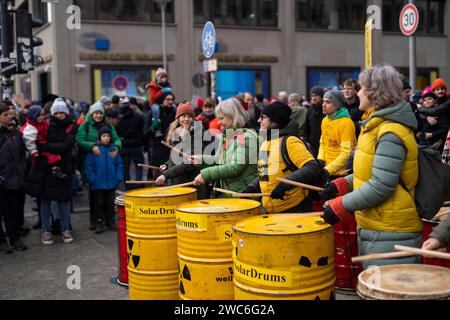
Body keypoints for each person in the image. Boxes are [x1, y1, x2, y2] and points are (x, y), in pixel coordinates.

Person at [320, 65, 422, 270]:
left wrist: (341, 205)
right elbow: (372, 172)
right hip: (375, 225)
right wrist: (342, 185)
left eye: (362, 88)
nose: (357, 92)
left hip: (392, 230)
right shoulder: (375, 126)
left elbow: (382, 185)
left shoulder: (390, 131)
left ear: (375, 93)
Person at [242, 102, 324, 213]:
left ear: (275, 120)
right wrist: (252, 187)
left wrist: (285, 184)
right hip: (270, 210)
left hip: (294, 209)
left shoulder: (290, 142)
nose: (259, 121)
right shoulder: (266, 143)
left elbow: (312, 167)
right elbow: (265, 173)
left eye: (263, 117)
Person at [32, 99, 77, 245]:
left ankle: (65, 229)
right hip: (48, 168)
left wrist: (48, 147)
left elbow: (66, 145)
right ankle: (46, 230)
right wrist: (49, 147)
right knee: (45, 200)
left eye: (61, 112)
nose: (59, 115)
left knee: (64, 200)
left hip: (64, 167)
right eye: (56, 112)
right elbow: (38, 143)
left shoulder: (71, 126)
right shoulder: (46, 125)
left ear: (66, 113)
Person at [191, 98, 258, 195]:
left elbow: (235, 168)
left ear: (233, 116)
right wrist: (201, 159)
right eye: (218, 118)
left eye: (221, 118)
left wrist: (205, 174)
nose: (218, 122)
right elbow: (219, 159)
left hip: (244, 195)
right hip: (231, 194)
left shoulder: (246, 137)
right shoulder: (227, 135)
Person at [77, 102, 122, 230]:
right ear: (91, 113)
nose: (98, 115)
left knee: (108, 199)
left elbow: (116, 138)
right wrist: (92, 146)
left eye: (100, 113)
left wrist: (117, 147)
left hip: (107, 158)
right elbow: (79, 141)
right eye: (96, 113)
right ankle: (95, 220)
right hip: (92, 161)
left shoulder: (108, 125)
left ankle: (108, 220)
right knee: (95, 197)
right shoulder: (85, 126)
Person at [155, 104, 206, 197]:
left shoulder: (197, 134)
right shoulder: (176, 131)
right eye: (183, 116)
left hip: (190, 185)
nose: (186, 119)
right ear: (178, 118)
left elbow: (189, 163)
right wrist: (167, 165)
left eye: (190, 116)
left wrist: (165, 175)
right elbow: (175, 156)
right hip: (176, 183)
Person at [84, 126, 123, 233]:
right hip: (98, 184)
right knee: (99, 204)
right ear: (99, 138)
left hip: (111, 183)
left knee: (110, 204)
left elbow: (119, 165)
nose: (106, 138)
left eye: (108, 136)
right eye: (104, 136)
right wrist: (93, 179)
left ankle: (110, 221)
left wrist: (118, 177)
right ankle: (99, 222)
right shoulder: (94, 151)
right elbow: (89, 167)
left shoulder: (113, 150)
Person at [0, 103, 27, 252]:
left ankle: (14, 238)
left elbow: (22, 154)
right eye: (5, 115)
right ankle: (1, 240)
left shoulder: (16, 132)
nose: (9, 117)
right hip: (2, 178)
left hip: (15, 176)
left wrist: (22, 169)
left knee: (12, 211)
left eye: (10, 114)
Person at [21, 103, 66, 179]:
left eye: (42, 115)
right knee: (49, 158)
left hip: (44, 143)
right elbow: (29, 142)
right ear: (33, 117)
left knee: (54, 157)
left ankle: (55, 169)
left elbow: (47, 125)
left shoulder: (42, 122)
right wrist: (34, 151)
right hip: (37, 147)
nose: (42, 117)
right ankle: (54, 170)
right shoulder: (30, 128)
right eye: (39, 116)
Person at [318, 90, 356, 178]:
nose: (323, 105)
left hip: (341, 173)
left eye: (328, 102)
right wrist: (320, 159)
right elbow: (322, 143)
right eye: (323, 101)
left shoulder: (347, 123)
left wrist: (328, 170)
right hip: (326, 169)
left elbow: (347, 153)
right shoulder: (325, 120)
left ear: (337, 104)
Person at [144, 92, 177, 178]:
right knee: (157, 177)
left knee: (169, 176)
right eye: (167, 99)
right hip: (157, 150)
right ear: (162, 100)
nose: (170, 102)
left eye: (172, 99)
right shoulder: (153, 114)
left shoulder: (175, 113)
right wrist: (153, 128)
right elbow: (145, 134)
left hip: (170, 149)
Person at [116, 97, 145, 188]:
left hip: (125, 146)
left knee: (126, 167)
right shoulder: (138, 116)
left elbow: (118, 133)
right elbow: (142, 131)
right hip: (137, 145)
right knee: (139, 166)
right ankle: (139, 185)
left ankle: (127, 186)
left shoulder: (119, 120)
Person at [147, 68, 173, 138]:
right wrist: (162, 91)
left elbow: (172, 96)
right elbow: (153, 98)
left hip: (166, 103)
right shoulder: (152, 86)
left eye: (165, 77)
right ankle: (157, 128)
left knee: (175, 108)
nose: (164, 79)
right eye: (162, 77)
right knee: (156, 109)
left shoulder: (167, 85)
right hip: (155, 103)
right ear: (158, 78)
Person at [303, 86, 325, 157]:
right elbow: (306, 128)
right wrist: (306, 141)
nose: (313, 98)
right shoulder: (310, 110)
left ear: (321, 97)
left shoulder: (326, 110)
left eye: (316, 95)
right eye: (312, 96)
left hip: (324, 145)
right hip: (312, 146)